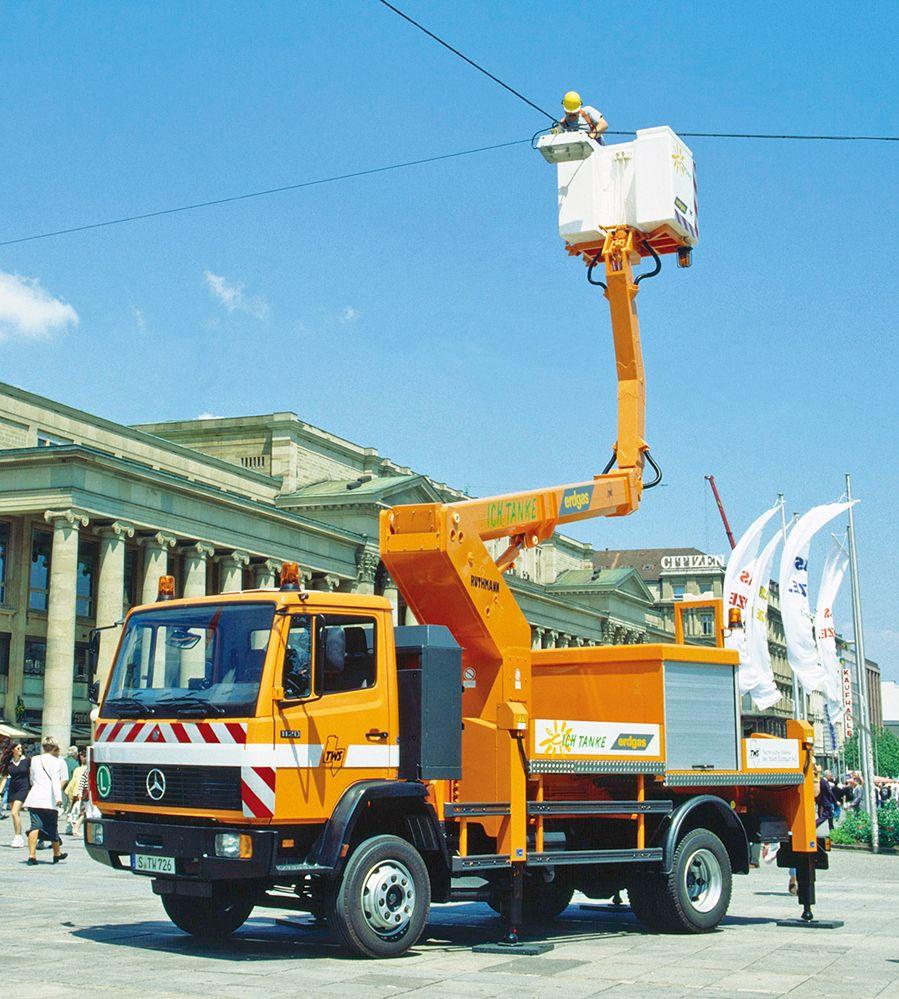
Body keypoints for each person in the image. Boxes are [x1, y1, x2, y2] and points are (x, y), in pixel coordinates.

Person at [22, 736, 68, 865]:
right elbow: (55, 781)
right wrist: (58, 798)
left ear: (43, 747)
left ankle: (32, 856)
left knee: (35, 826)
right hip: (49, 799)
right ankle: (56, 853)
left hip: (35, 797)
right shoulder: (57, 762)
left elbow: (32, 778)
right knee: (52, 826)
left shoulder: (35, 759)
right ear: (54, 747)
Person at [1, 742, 30, 847]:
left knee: (14, 812)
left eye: (21, 748)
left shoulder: (26, 761)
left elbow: (32, 774)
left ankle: (18, 837)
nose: (20, 749)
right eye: (18, 748)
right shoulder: (9, 763)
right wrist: (0, 791)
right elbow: (4, 778)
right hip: (13, 789)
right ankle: (18, 836)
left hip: (23, 788)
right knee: (15, 815)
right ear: (13, 750)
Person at [64, 749, 88, 836]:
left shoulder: (78, 769)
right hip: (84, 793)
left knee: (74, 810)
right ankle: (75, 828)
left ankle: (70, 828)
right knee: (82, 812)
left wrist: (68, 791)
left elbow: (73, 782)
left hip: (76, 792)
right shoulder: (85, 769)